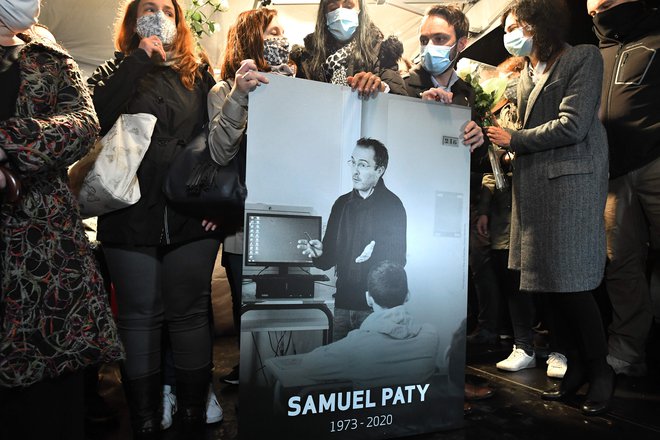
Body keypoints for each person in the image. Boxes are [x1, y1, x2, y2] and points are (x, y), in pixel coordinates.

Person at [87, 0, 222, 437]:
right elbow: (92, 118)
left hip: (190, 215)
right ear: (132, 18)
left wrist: (216, 206)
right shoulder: (115, 70)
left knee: (189, 314)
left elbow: (221, 140)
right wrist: (139, 59)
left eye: (168, 9)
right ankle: (144, 419)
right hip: (128, 215)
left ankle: (192, 415)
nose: (160, 15)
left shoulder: (199, 74)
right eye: (150, 7)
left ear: (180, 22)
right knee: (138, 315)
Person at [0, 1, 123, 439]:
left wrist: (10, 140)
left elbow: (83, 123)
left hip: (47, 241)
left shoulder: (44, 51)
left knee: (57, 379)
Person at [486, 0, 612, 416]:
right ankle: (573, 366)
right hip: (534, 187)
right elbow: (521, 127)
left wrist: (514, 140)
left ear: (540, 24)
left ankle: (600, 370)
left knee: (573, 285)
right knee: (547, 287)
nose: (511, 33)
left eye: (517, 24)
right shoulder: (523, 73)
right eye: (507, 27)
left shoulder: (582, 58)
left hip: (570, 188)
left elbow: (573, 124)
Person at [207, 6, 295, 389]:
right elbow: (219, 152)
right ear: (251, 38)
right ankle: (254, 378)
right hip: (244, 225)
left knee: (291, 308)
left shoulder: (297, 85)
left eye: (282, 33)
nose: (280, 40)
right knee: (251, 311)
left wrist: (296, 91)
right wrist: (242, 97)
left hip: (293, 219)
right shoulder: (222, 91)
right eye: (271, 32)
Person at [587, 0, 660, 378]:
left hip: (655, 162)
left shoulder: (655, 33)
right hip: (613, 173)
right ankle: (628, 352)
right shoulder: (594, 52)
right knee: (620, 265)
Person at [267, 261, 439, 389]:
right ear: (408, 295)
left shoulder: (355, 346)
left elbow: (308, 367)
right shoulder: (430, 337)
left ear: (368, 298)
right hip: (412, 423)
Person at [299, 137, 407, 341]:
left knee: (370, 371)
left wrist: (375, 252)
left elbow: (398, 262)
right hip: (343, 304)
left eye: (363, 165)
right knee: (339, 368)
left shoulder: (393, 206)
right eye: (353, 162)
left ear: (380, 170)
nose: (355, 171)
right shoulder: (341, 205)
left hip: (376, 308)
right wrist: (320, 253)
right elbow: (328, 260)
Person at [403, 4, 486, 154]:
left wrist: (479, 140)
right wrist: (420, 113)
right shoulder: (403, 86)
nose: (428, 47)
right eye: (424, 40)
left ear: (461, 44)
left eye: (439, 38)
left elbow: (470, 158)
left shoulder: (467, 93)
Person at [290, 0, 407, 98]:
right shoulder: (307, 59)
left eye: (348, 6)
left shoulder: (382, 53)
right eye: (333, 8)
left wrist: (382, 88)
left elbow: (400, 101)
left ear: (360, 10)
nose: (340, 12)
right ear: (324, 15)